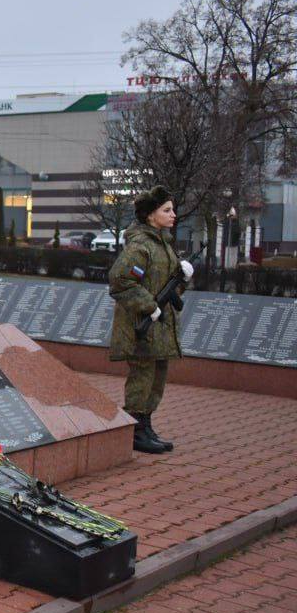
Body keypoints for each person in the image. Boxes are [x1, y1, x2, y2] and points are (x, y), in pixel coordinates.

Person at [107, 185, 192, 454]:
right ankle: (135, 429)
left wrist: (184, 278)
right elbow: (120, 281)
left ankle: (146, 425)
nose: (173, 214)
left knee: (156, 378)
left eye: (172, 209)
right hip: (142, 327)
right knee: (142, 377)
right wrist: (149, 306)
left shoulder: (162, 244)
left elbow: (167, 287)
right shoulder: (142, 245)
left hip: (160, 327)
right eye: (166, 210)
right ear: (150, 215)